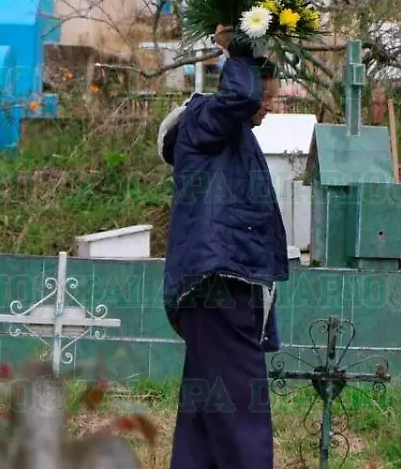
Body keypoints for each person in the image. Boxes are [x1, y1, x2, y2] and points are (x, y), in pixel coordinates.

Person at [158, 25, 288, 469]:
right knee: (239, 406)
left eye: (271, 98)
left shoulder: (229, 137)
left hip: (217, 284)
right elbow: (239, 97)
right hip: (218, 283)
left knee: (205, 409)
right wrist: (239, 46)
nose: (267, 107)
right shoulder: (206, 122)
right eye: (265, 98)